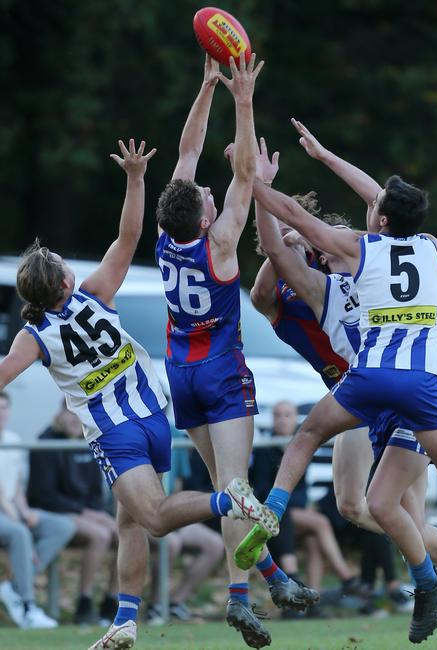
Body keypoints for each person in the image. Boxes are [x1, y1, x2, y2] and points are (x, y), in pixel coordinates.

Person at [0, 139, 271, 650]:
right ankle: (125, 621)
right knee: (130, 522)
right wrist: (134, 178)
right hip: (152, 415)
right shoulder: (96, 290)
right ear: (62, 280)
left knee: (154, 517)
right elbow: (129, 234)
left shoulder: (32, 337)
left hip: (115, 431)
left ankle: (227, 498)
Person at [237, 154, 437, 644]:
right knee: (365, 508)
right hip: (362, 396)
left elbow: (363, 221)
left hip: (384, 385)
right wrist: (281, 227)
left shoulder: (361, 266)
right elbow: (274, 268)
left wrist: (266, 189)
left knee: (391, 507)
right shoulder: (308, 290)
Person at [154, 54, 315, 648]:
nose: (207, 189)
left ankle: (272, 581)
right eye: (203, 193)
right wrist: (242, 100)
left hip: (181, 373)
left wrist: (204, 87)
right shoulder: (220, 244)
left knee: (228, 489)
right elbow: (246, 175)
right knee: (239, 488)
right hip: (220, 375)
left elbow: (189, 150)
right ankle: (243, 596)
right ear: (203, 213)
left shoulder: (167, 238)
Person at [250, 400, 361, 601]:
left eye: (287, 415)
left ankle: (311, 599)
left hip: (294, 512)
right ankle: (347, 577)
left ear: (296, 420)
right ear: (273, 420)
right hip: (274, 512)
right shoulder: (264, 450)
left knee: (313, 541)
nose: (283, 420)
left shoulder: (301, 449)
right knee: (320, 523)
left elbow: (301, 491)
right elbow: (262, 490)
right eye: (278, 415)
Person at [28, 402, 119, 624]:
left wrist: (94, 512)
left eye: (79, 415)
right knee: (100, 535)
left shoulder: (88, 442)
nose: (74, 419)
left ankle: (112, 601)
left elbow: (94, 493)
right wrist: (83, 512)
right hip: (51, 512)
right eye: (70, 413)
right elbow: (44, 495)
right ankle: (84, 603)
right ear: (59, 413)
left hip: (83, 511)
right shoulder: (45, 443)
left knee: (122, 532)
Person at [0, 391, 76, 629]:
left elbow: (16, 488)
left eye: (4, 407)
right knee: (20, 533)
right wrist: (20, 520)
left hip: (11, 510)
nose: (1, 413)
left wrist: (25, 511)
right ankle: (27, 604)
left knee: (63, 526)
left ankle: (13, 587)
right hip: (4, 513)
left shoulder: (13, 440)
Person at [147, 522, 225, 623]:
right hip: (145, 521)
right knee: (171, 543)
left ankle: (175, 605)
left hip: (173, 520)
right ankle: (155, 607)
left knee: (215, 544)